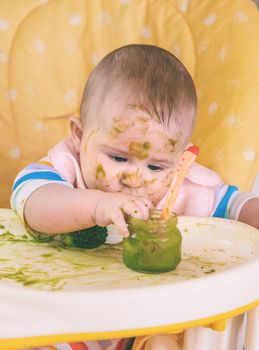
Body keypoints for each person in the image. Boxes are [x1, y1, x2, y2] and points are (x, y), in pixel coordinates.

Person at [11, 44, 259, 350]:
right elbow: (33, 202)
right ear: (79, 135)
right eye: (118, 158)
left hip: (151, 322)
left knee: (165, 344)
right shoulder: (66, 169)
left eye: (155, 165)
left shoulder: (183, 186)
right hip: (65, 318)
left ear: (180, 159)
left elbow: (237, 207)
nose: (136, 178)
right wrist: (98, 205)